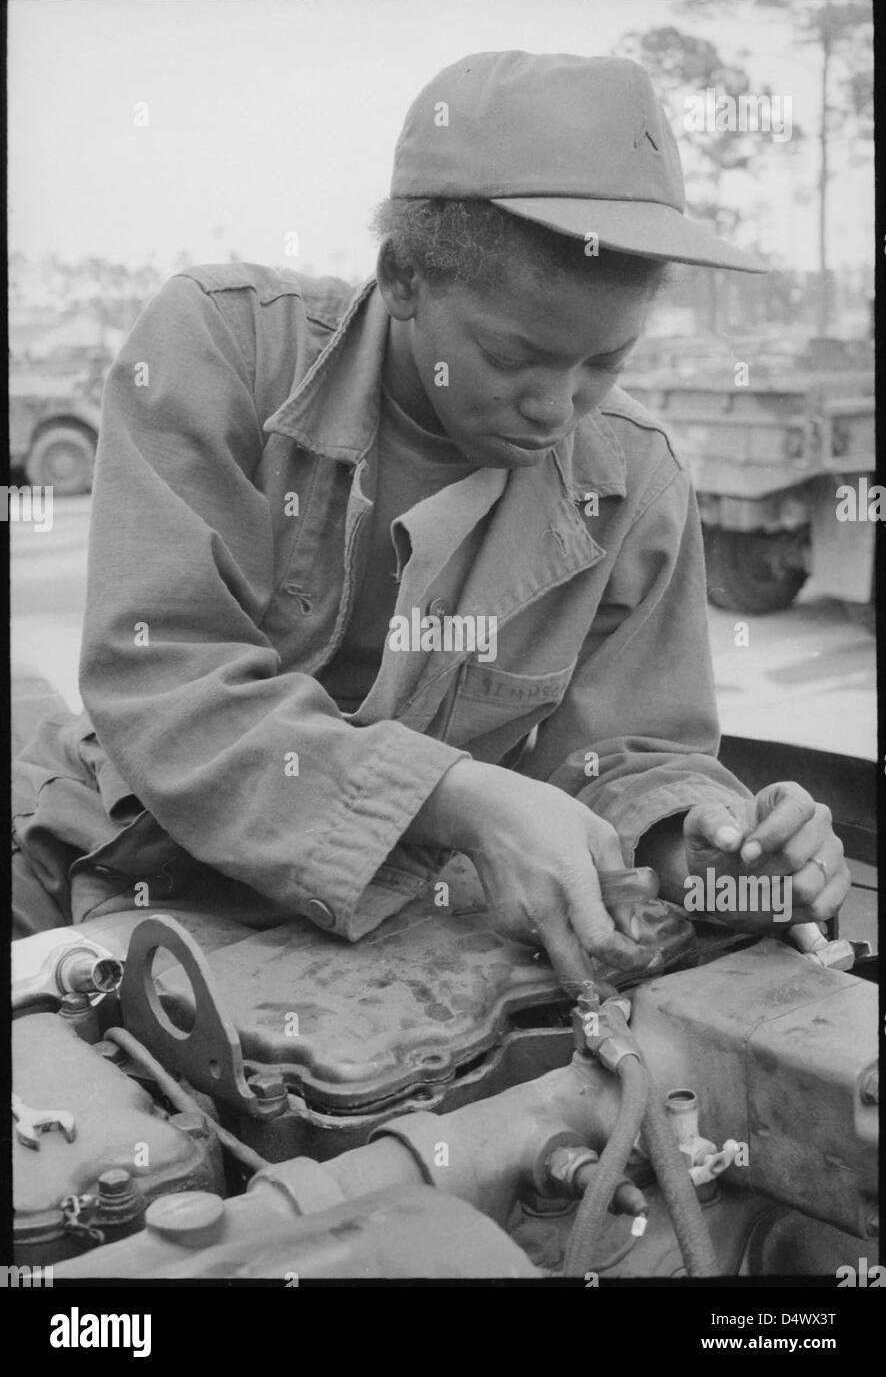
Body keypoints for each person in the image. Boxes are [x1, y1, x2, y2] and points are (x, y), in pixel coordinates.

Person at [12, 52, 849, 992]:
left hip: (396, 935)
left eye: (603, 365)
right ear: (403, 276)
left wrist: (710, 851)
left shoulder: (636, 482)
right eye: (514, 355)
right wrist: (459, 801)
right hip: (111, 866)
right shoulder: (220, 351)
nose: (558, 407)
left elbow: (623, 759)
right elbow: (167, 679)